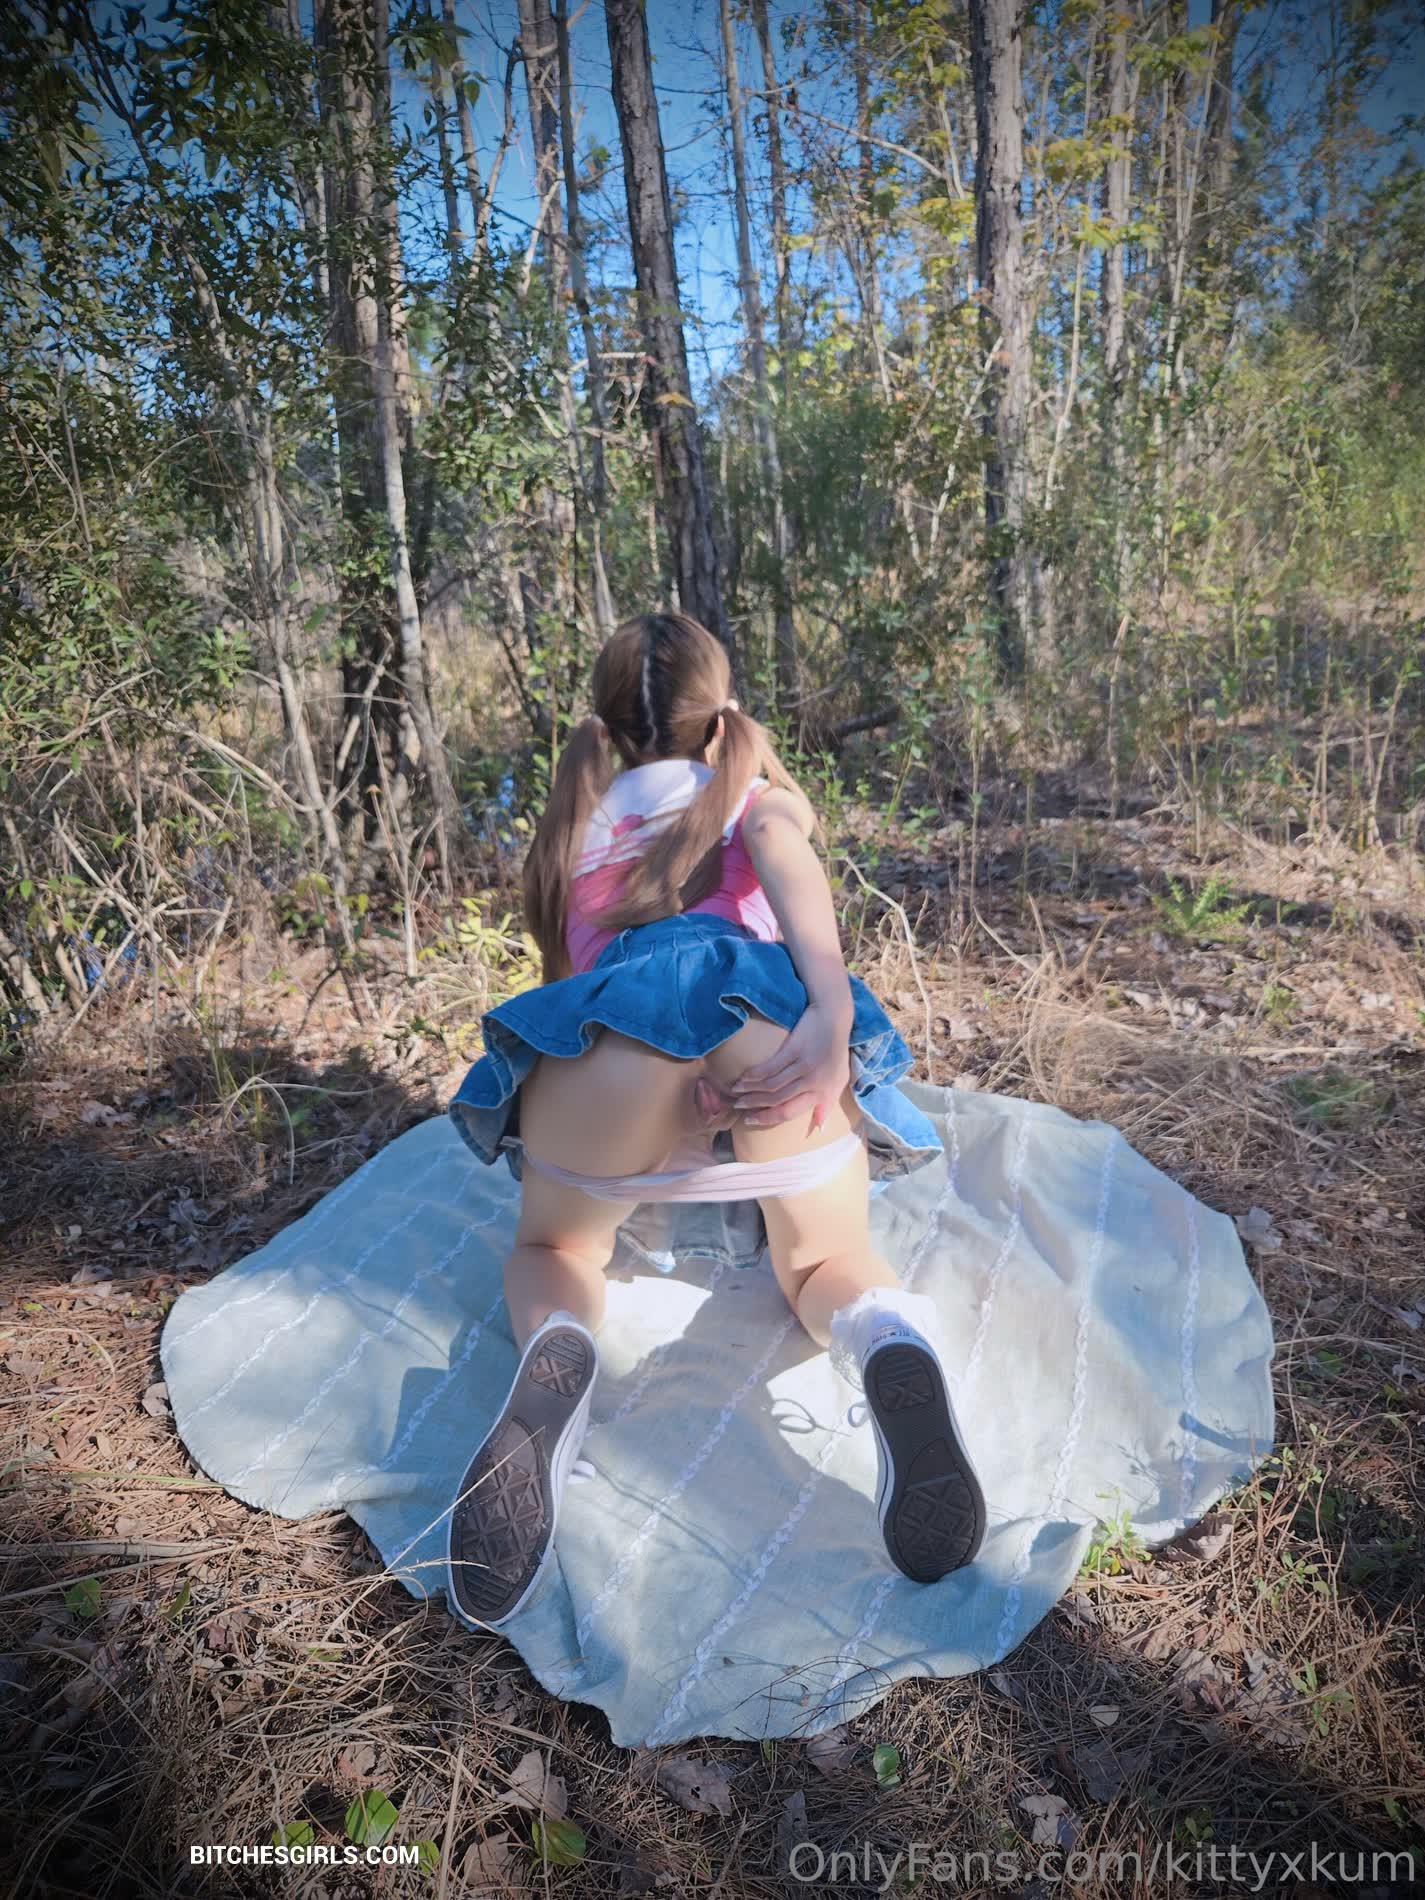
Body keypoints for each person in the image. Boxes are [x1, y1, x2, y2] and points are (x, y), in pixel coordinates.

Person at [446, 613, 985, 1626]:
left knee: (558, 1245)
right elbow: (783, 847)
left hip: (611, 1050)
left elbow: (568, 980)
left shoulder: (577, 818)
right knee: (825, 1259)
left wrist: (662, 1107)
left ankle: (558, 1341)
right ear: (722, 712)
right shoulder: (749, 795)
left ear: (606, 727)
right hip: (759, 1032)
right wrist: (828, 1014)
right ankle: (880, 1335)